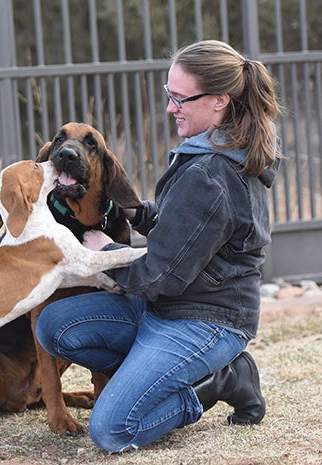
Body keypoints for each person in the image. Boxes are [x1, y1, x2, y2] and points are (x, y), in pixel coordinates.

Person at [35, 39, 282, 454]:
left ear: (220, 101)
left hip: (206, 320)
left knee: (112, 429)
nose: (171, 108)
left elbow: (161, 276)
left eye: (180, 98)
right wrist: (136, 211)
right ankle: (149, 375)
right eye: (170, 96)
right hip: (168, 307)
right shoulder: (209, 151)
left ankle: (221, 379)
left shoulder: (211, 172)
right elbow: (187, 233)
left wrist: (108, 250)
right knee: (53, 326)